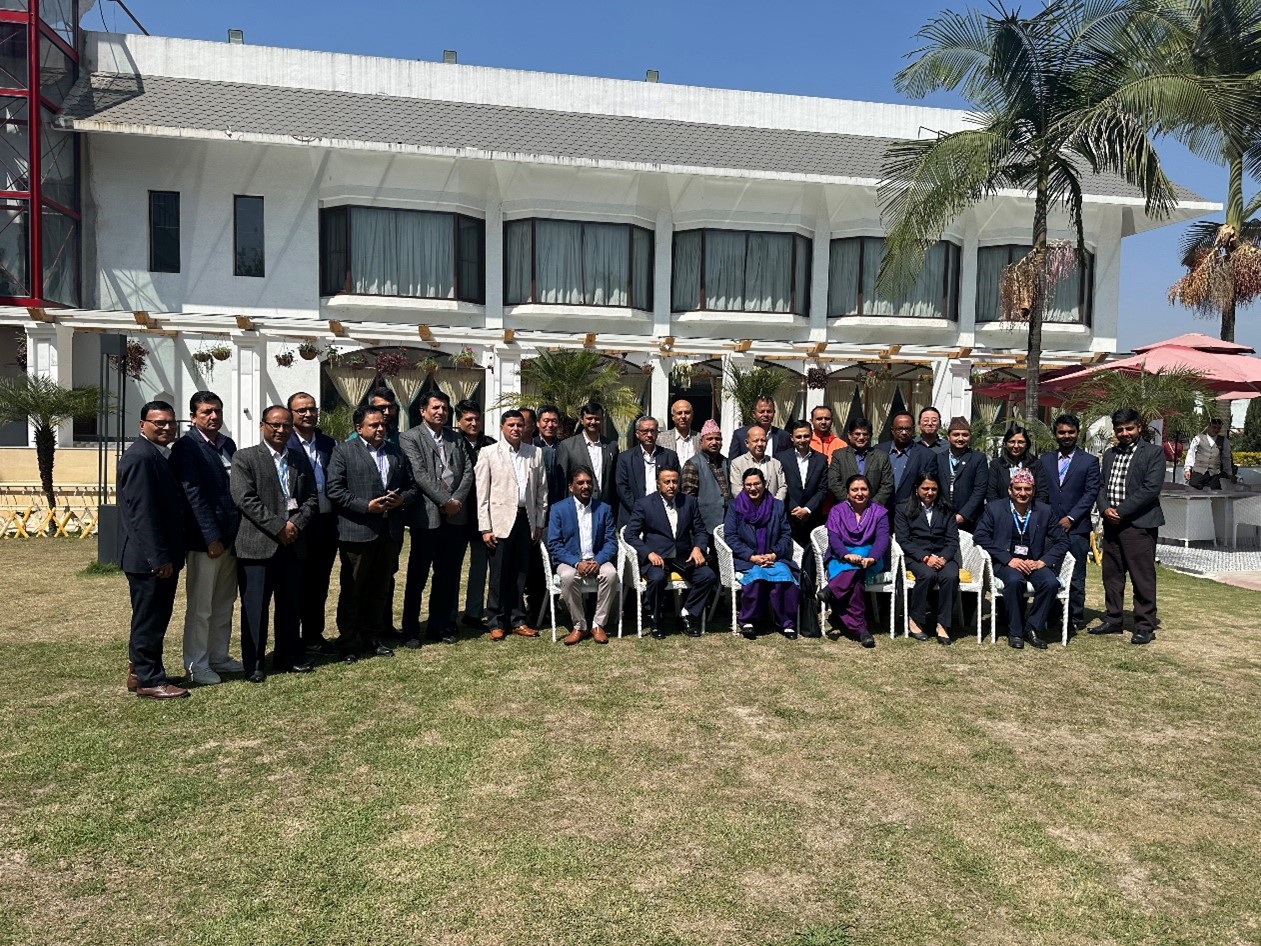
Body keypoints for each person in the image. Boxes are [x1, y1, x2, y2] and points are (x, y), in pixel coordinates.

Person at [230, 405, 319, 681]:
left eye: (286, 426)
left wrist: (294, 526)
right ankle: (254, 664)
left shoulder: (298, 459)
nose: (281, 430)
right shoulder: (245, 458)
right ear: (262, 426)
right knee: (256, 608)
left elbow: (312, 499)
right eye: (275, 425)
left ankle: (287, 656)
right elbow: (245, 499)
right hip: (257, 546)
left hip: (292, 545)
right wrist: (278, 527)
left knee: (290, 606)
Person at [326, 405, 416, 661]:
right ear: (359, 428)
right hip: (357, 531)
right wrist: (365, 506)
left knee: (380, 588)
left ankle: (372, 637)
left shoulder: (396, 452)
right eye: (374, 425)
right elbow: (334, 490)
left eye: (382, 425)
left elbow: (410, 487)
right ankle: (348, 643)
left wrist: (402, 501)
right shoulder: (343, 452)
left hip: (389, 532)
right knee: (353, 590)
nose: (380, 429)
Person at [118, 400, 190, 699]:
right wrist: (158, 557)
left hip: (161, 555)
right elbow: (141, 514)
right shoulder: (140, 457)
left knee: (154, 616)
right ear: (142, 425)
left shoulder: (158, 455)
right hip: (149, 559)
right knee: (150, 618)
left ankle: (140, 671)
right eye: (158, 422)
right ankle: (149, 680)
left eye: (170, 422)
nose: (166, 427)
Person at [169, 390, 241, 686]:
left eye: (217, 411)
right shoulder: (187, 447)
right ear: (194, 416)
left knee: (225, 601)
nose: (213, 417)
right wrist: (211, 537)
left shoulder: (228, 445)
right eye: (207, 412)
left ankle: (218, 655)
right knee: (201, 606)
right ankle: (196, 664)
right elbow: (193, 495)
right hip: (205, 542)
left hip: (231, 539)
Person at [399, 391, 472, 647]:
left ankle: (439, 626)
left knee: (447, 576)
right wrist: (445, 501)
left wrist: (457, 502)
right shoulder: (409, 437)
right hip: (426, 517)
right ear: (422, 410)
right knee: (417, 577)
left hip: (455, 518)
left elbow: (467, 473)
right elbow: (419, 473)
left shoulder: (455, 438)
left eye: (444, 407)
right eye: (436, 407)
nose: (441, 412)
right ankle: (409, 630)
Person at [1090, 408, 1165, 645]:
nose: (1124, 433)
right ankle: (1113, 619)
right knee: (1111, 575)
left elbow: (1150, 489)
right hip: (1111, 525)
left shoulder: (1153, 453)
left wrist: (1120, 512)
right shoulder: (1110, 454)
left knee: (1142, 576)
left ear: (1138, 427)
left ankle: (1144, 625)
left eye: (1129, 428)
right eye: (1120, 429)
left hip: (1138, 525)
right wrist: (1104, 509)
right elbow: (1101, 486)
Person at [974, 469, 1069, 650]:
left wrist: (1043, 562)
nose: (1022, 493)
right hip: (1006, 562)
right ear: (1010, 490)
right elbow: (980, 536)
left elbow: (1062, 541)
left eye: (1027, 489)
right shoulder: (994, 508)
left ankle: (1032, 628)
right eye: (1018, 489)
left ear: (1033, 491)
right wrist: (1008, 559)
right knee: (1015, 580)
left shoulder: (1044, 511)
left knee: (1050, 583)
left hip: (1034, 562)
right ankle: (1015, 631)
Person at [477, 409, 549, 640]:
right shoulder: (488, 453)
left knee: (521, 573)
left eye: (520, 425)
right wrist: (485, 527)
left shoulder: (535, 453)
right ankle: (496, 621)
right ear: (502, 427)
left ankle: (518, 619)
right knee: (498, 574)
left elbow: (542, 492)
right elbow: (482, 494)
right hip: (499, 520)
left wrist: (539, 522)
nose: (516, 429)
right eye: (511, 425)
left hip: (525, 519)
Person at [626, 467, 716, 639]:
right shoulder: (644, 504)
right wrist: (648, 553)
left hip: (684, 557)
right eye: (666, 482)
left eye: (675, 481)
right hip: (657, 557)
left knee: (708, 576)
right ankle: (656, 619)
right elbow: (629, 534)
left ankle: (686, 614)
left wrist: (698, 548)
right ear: (658, 484)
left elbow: (701, 531)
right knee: (657, 579)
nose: (671, 485)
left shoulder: (688, 502)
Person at [287, 392, 339, 656]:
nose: (308, 414)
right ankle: (291, 639)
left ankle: (313, 636)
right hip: (297, 525)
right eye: (301, 410)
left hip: (326, 525)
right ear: (291, 414)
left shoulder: (329, 444)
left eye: (311, 409)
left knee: (319, 585)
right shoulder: (285, 444)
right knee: (296, 586)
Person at [1040, 413, 1100, 634]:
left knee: (1076, 575)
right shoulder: (1045, 460)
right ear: (1055, 434)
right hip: (1049, 528)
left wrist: (1071, 518)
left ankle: (1074, 616)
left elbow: (1090, 492)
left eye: (1070, 432)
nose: (1066, 436)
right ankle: (1052, 613)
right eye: (1062, 432)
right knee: (1048, 570)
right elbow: (1041, 493)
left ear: (1077, 433)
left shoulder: (1089, 462)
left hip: (1077, 528)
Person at [724, 468, 801, 640]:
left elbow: (785, 534)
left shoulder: (777, 505)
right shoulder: (735, 506)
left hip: (773, 557)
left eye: (756, 484)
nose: (753, 488)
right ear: (743, 487)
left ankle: (786, 622)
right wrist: (752, 556)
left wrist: (773, 554)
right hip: (748, 559)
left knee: (785, 578)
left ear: (764, 484)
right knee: (757, 577)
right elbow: (730, 536)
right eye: (748, 485)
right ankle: (747, 621)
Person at [547, 465, 619, 645]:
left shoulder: (604, 509)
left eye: (588, 482)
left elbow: (611, 542)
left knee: (610, 574)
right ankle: (579, 625)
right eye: (580, 483)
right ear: (571, 487)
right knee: (568, 576)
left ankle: (598, 624)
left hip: (597, 559)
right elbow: (554, 544)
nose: (585, 486)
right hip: (569, 560)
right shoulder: (559, 509)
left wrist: (598, 560)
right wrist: (576, 562)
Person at [818, 474, 889, 648]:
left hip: (870, 559)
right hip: (840, 558)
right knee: (855, 580)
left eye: (863, 489)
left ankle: (831, 590)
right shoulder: (837, 510)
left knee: (863, 552)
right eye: (855, 489)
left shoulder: (880, 512)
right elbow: (833, 539)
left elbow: (882, 539)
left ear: (870, 491)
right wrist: (846, 555)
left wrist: (872, 556)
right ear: (848, 492)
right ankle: (861, 630)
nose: (859, 493)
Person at [894, 470, 959, 645]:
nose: (929, 493)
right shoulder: (903, 508)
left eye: (934, 489)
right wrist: (925, 557)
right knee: (927, 575)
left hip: (942, 555)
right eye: (925, 488)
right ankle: (915, 619)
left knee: (951, 576)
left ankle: (943, 624)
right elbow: (903, 540)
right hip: (916, 557)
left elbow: (953, 540)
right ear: (917, 489)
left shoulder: (946, 509)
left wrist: (944, 558)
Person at [454, 399, 496, 630]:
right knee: (453, 567)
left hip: (484, 516)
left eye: (476, 419)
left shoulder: (490, 444)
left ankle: (473, 612)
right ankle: (449, 613)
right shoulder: (451, 443)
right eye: (468, 419)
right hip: (457, 514)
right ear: (458, 421)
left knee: (480, 567)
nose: (473, 423)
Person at [615, 415, 681, 526]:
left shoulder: (669, 456)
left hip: (663, 515)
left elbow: (677, 483)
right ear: (637, 434)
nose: (649, 435)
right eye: (645, 431)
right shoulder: (625, 458)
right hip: (633, 515)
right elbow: (621, 487)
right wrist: (639, 510)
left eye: (653, 431)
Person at [558, 401, 619, 514]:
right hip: (576, 507)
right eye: (589, 418)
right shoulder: (567, 446)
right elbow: (562, 482)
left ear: (602, 420)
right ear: (582, 420)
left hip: (603, 507)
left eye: (597, 419)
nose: (593, 422)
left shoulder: (611, 445)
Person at [828, 416, 893, 511]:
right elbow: (833, 482)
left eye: (865, 434)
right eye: (857, 434)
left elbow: (887, 484)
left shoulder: (881, 456)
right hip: (845, 509)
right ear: (849, 435)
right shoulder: (839, 455)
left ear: (870, 435)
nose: (861, 438)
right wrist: (851, 503)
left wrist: (872, 506)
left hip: (873, 510)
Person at [937, 416, 989, 531]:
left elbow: (980, 490)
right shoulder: (939, 458)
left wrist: (963, 515)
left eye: (965, 435)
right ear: (948, 437)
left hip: (970, 519)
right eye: (956, 435)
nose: (960, 438)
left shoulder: (978, 458)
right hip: (942, 517)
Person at [681, 419, 731, 533]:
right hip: (703, 525)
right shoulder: (693, 464)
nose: (714, 442)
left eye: (717, 439)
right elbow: (688, 499)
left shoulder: (726, 462)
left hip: (726, 523)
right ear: (701, 442)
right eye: (709, 439)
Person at [877, 411, 936, 507]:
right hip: (881, 510)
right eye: (900, 429)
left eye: (908, 429)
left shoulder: (927, 456)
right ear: (892, 430)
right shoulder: (879, 450)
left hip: (911, 512)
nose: (904, 432)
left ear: (913, 430)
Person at [987, 424, 1048, 503]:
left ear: (1026, 445)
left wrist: (1031, 513)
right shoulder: (996, 465)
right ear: (1005, 444)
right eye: (1012, 442)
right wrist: (1002, 513)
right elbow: (991, 494)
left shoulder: (1036, 464)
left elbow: (1042, 493)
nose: (1016, 446)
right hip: (1002, 512)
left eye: (1021, 442)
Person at [730, 427, 787, 501]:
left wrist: (775, 504)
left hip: (772, 509)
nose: (760, 444)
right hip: (747, 510)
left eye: (763, 440)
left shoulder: (775, 463)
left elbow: (782, 487)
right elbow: (737, 490)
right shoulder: (737, 463)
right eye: (756, 441)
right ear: (747, 443)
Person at [1184, 418, 1234, 490]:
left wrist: (1229, 473)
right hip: (1198, 472)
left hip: (1214, 474)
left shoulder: (1224, 441)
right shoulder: (1198, 438)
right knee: (1194, 494)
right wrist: (1187, 469)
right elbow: (1191, 453)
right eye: (1214, 427)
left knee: (1215, 496)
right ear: (1208, 426)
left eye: (1218, 428)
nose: (1216, 430)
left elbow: (1226, 457)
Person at [659, 399, 701, 466]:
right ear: (673, 417)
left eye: (687, 413)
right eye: (679, 413)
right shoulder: (660, 439)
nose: (683, 416)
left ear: (692, 415)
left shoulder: (700, 438)